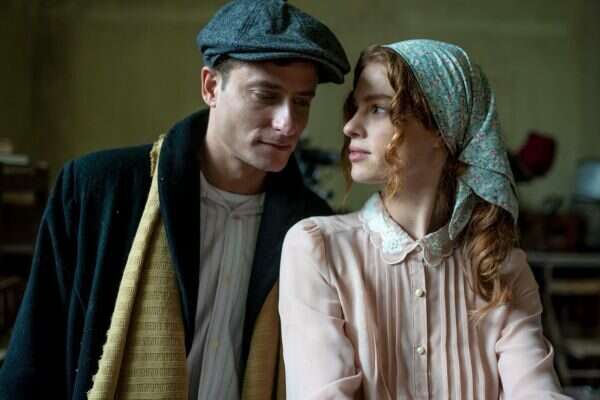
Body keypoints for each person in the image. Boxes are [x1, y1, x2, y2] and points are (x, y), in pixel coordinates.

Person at [0, 1, 349, 399]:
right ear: (211, 87)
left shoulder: (312, 227)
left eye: (301, 101)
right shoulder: (98, 190)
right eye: (265, 95)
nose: (287, 123)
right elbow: (32, 364)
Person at [279, 39, 572, 399]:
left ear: (440, 127)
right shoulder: (318, 249)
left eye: (377, 108)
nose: (350, 126)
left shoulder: (500, 265)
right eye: (355, 108)